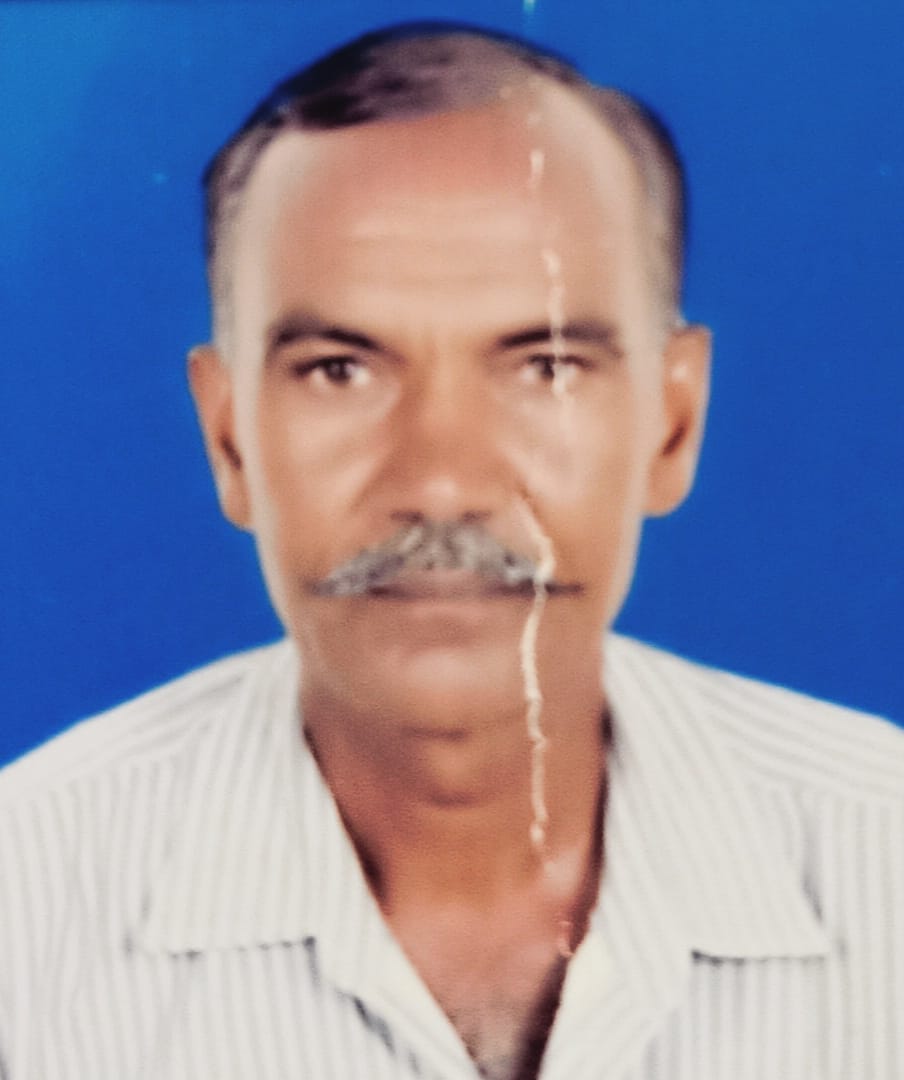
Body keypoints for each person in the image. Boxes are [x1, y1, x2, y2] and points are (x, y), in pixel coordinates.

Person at [0, 21, 901, 1080]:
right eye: (340, 369)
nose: (439, 481)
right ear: (229, 440)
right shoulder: (28, 909)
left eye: (545, 366)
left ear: (672, 426)